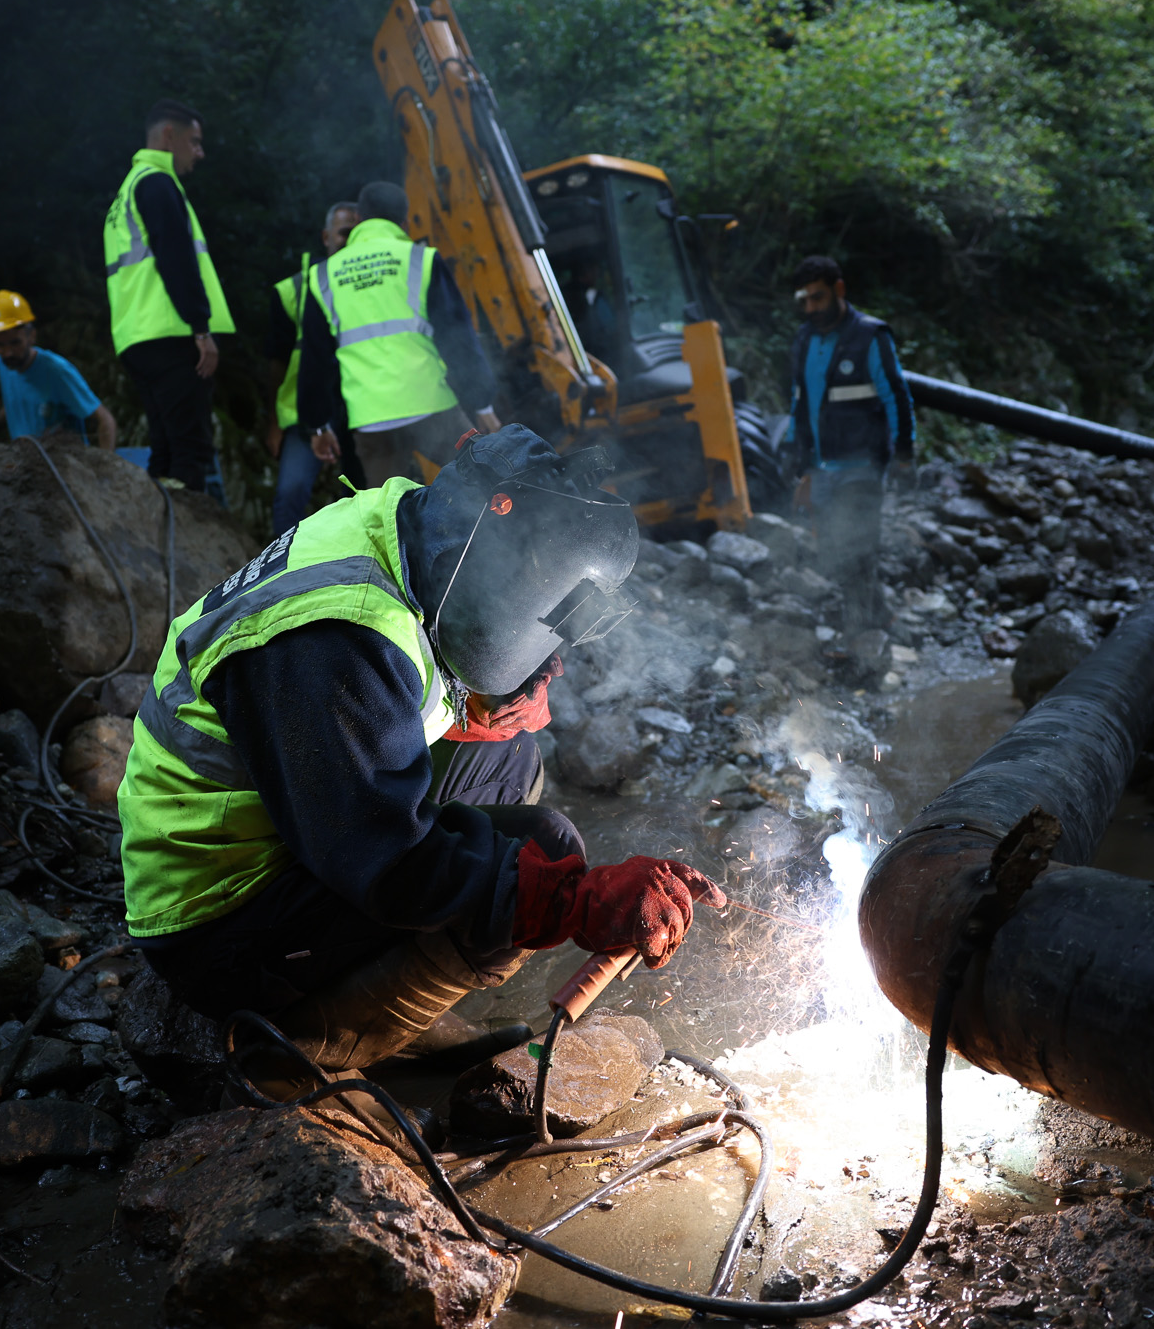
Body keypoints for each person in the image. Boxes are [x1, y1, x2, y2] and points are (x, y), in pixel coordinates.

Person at [118, 426, 724, 1094]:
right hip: (215, 913)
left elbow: (403, 678)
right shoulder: (335, 635)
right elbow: (392, 858)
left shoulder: (419, 525)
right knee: (540, 855)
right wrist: (573, 901)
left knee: (510, 760)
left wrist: (512, 688)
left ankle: (387, 998)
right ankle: (295, 1050)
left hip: (289, 816)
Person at [295, 181, 500, 488]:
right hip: (431, 407)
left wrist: (318, 424)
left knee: (388, 515)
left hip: (371, 420)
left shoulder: (322, 276)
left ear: (360, 221)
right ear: (404, 223)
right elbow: (457, 338)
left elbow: (314, 360)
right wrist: (482, 404)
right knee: (486, 487)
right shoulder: (421, 259)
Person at [104, 98, 236, 494]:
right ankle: (186, 546)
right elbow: (177, 260)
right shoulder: (157, 184)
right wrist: (200, 328)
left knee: (163, 450)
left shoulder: (127, 190)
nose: (200, 153)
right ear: (168, 136)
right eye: (194, 142)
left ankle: (159, 541)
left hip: (137, 338)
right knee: (189, 451)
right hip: (171, 335)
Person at [786, 255, 916, 625]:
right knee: (834, 551)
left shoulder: (870, 337)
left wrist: (904, 456)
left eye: (818, 298)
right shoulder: (804, 339)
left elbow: (897, 397)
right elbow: (799, 400)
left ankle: (860, 643)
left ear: (839, 290)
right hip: (821, 469)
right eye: (805, 300)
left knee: (856, 549)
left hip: (862, 466)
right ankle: (879, 620)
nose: (811, 308)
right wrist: (793, 455)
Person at [263, 202, 364, 533]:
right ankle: (279, 571)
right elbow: (278, 360)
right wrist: (274, 421)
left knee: (364, 494)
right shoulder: (294, 290)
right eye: (344, 232)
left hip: (362, 408)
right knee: (290, 493)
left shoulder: (372, 283)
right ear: (326, 237)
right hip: (306, 410)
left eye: (358, 232)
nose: (351, 240)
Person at [0, 290, 117, 449]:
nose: (7, 352)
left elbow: (106, 421)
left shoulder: (56, 371)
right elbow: (19, 401)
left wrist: (105, 469)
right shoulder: (4, 363)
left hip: (66, 464)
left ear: (31, 336)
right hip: (25, 460)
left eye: (15, 343)